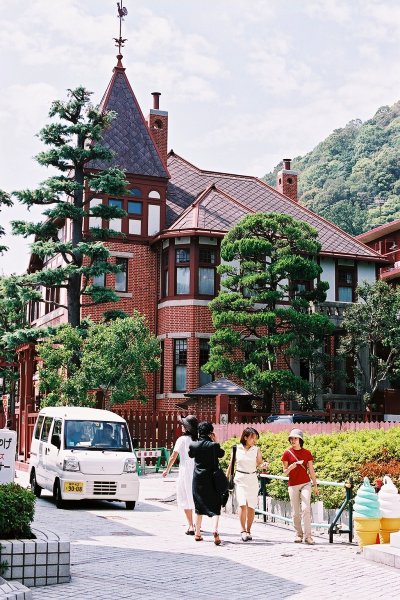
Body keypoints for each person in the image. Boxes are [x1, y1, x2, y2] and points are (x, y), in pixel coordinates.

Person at [226, 426, 268, 541]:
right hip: (240, 479)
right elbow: (231, 464)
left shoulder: (256, 449)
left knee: (251, 506)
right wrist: (226, 478)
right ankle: (242, 530)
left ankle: (249, 530)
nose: (254, 440)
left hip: (252, 479)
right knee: (242, 504)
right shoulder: (236, 448)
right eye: (252, 438)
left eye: (255, 438)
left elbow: (259, 463)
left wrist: (263, 465)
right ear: (245, 437)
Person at [188, 421, 225, 545]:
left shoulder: (193, 445)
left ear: (199, 432)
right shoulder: (213, 445)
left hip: (198, 479)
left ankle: (197, 533)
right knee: (215, 505)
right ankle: (215, 530)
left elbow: (190, 455)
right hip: (212, 479)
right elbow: (222, 454)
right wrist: (215, 441)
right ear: (210, 432)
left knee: (198, 505)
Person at [281, 428, 319, 545]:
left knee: (306, 509)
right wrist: (290, 467)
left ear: (300, 440)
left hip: (306, 483)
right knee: (295, 512)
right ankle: (298, 534)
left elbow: (311, 470)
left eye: (295, 438)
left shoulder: (307, 453)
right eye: (291, 438)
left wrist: (315, 485)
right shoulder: (287, 453)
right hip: (293, 485)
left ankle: (308, 536)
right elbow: (284, 472)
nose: (293, 440)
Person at [162, 415, 198, 535]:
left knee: (185, 496)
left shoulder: (182, 440)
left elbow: (173, 456)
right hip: (197, 471)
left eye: (183, 425)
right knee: (196, 498)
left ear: (187, 428)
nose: (181, 426)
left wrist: (167, 469)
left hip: (185, 471)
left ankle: (191, 526)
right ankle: (197, 525)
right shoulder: (198, 440)